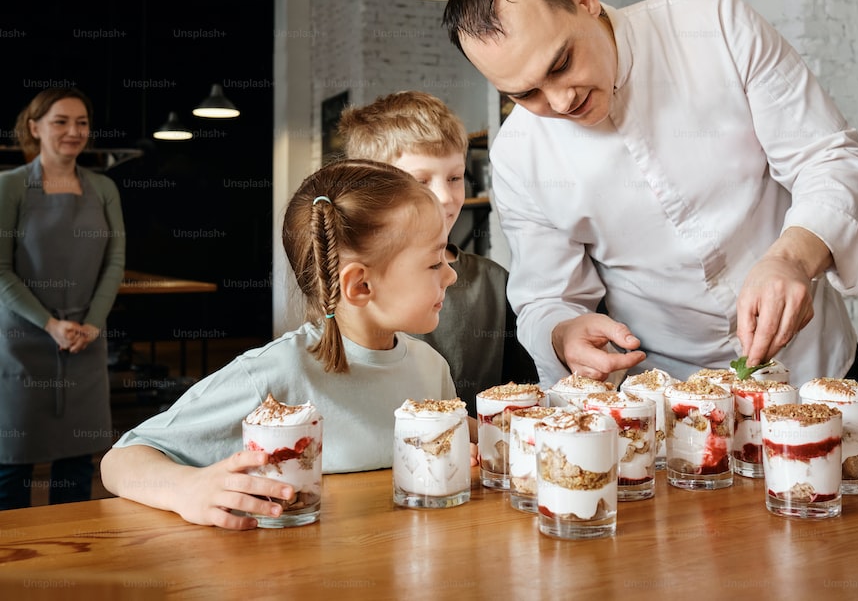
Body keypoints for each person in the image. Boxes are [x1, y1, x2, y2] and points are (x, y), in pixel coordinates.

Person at [442, 0, 858, 388]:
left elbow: (831, 158)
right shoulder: (518, 156)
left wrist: (793, 258)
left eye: (561, 63)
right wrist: (564, 332)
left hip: (815, 365)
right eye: (525, 94)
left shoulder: (717, 25)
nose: (560, 99)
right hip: (670, 398)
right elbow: (546, 298)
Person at [101, 159, 471, 530]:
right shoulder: (273, 374)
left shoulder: (430, 366)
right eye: (435, 262)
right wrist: (187, 488)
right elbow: (119, 461)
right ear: (360, 286)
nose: (452, 274)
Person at [337, 91, 538, 415]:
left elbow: (523, 394)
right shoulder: (359, 286)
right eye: (420, 181)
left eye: (455, 177)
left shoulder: (494, 282)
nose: (445, 197)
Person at [0, 87, 126, 509]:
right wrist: (49, 324)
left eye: (82, 122)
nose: (74, 131)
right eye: (61, 122)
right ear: (34, 128)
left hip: (85, 340)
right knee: (12, 462)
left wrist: (92, 323)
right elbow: (0, 271)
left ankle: (71, 556)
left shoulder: (104, 188)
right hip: (22, 341)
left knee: (78, 464)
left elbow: (114, 263)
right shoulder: (10, 187)